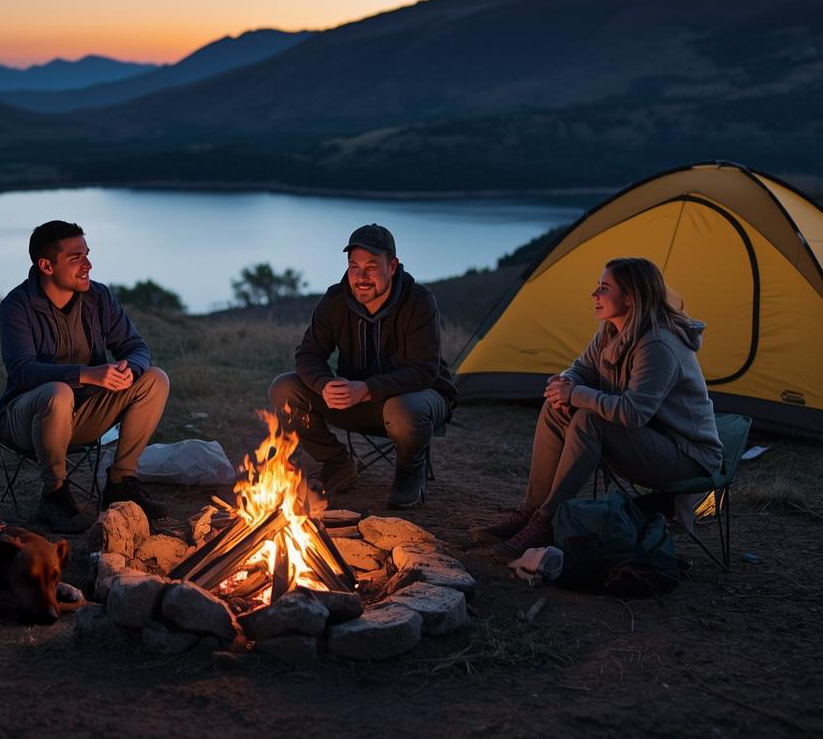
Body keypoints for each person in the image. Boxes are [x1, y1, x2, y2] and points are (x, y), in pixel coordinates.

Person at [472, 256, 723, 560]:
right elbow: (582, 369)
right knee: (556, 409)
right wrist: (565, 382)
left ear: (630, 298)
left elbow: (633, 413)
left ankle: (547, 521)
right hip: (648, 441)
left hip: (686, 456)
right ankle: (532, 510)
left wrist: (575, 393)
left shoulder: (658, 345)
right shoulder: (612, 331)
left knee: (591, 419)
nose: (594, 295)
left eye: (604, 288)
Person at [0, 220, 170, 533]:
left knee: (155, 378)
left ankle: (120, 483)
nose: (88, 264)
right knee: (58, 393)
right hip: (25, 418)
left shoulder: (99, 298)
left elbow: (136, 347)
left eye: (87, 254)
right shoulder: (18, 305)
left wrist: (131, 370)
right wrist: (86, 375)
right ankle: (54, 494)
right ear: (46, 265)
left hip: (82, 415)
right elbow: (22, 371)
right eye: (76, 258)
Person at [269, 224, 458, 509]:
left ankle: (408, 473)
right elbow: (308, 355)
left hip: (418, 399)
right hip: (356, 401)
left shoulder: (419, 301)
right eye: (354, 266)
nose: (361, 277)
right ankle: (337, 462)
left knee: (403, 409)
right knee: (284, 387)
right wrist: (325, 385)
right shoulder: (335, 301)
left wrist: (367, 389)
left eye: (371, 267)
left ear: (392, 266)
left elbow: (424, 370)